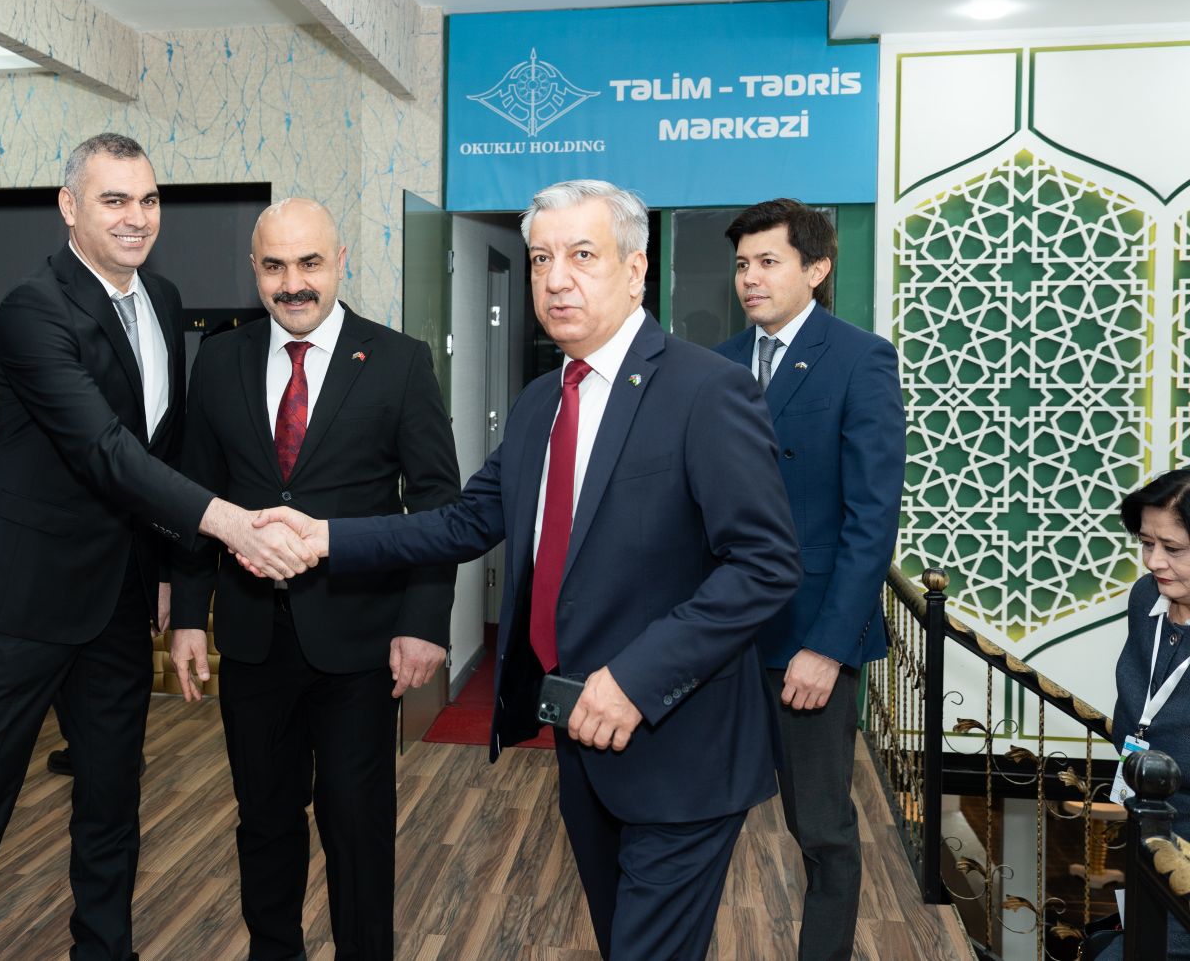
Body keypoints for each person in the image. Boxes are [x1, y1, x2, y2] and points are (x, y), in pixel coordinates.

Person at [257, 179, 801, 961]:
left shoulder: (706, 390)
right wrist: (325, 538)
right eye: (542, 258)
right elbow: (465, 521)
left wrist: (636, 680)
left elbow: (765, 564)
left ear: (636, 269)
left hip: (682, 750)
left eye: (582, 255)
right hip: (581, 743)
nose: (555, 279)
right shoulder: (544, 399)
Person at [0, 132, 314, 961]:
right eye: (114, 200)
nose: (136, 217)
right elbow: (103, 450)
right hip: (25, 607)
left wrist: (168, 568)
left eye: (148, 200)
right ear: (69, 207)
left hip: (119, 605)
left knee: (112, 807)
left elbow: (164, 449)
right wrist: (227, 522)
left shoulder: (162, 296)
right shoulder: (33, 308)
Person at [168, 198, 460, 961]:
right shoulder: (220, 360)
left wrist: (424, 621)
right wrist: (190, 612)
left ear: (340, 262)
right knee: (264, 818)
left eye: (309, 263)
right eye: (273, 265)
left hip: (360, 640)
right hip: (252, 637)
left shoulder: (398, 361)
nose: (291, 282)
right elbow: (198, 494)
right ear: (254, 269)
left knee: (356, 823)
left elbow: (438, 503)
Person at [713, 199, 904, 961]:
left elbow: (871, 519)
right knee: (695, 812)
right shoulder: (717, 362)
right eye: (742, 264)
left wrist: (828, 647)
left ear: (817, 268)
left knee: (821, 827)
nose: (750, 278)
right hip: (719, 634)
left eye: (768, 261)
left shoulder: (860, 358)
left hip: (808, 638)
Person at [1096, 469, 1190, 961]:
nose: (1154, 561)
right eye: (1147, 543)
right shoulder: (1146, 597)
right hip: (1147, 822)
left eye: (1173, 548)